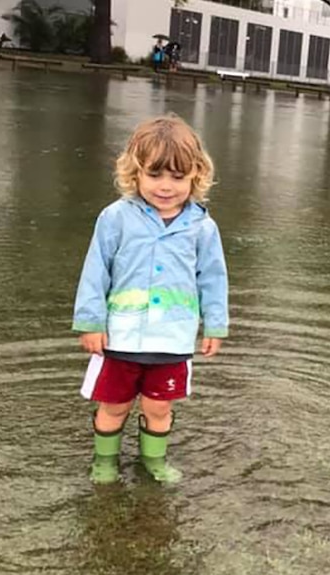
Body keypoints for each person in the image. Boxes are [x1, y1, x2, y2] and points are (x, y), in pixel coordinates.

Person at [72, 115, 229, 485]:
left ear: (196, 175)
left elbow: (214, 278)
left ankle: (152, 461)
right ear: (135, 173)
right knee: (114, 405)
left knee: (159, 407)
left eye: (177, 176)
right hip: (120, 337)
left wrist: (215, 325)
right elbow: (95, 272)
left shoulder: (202, 227)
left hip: (173, 339)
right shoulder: (115, 219)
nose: (165, 186)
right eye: (155, 175)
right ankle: (105, 462)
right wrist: (90, 322)